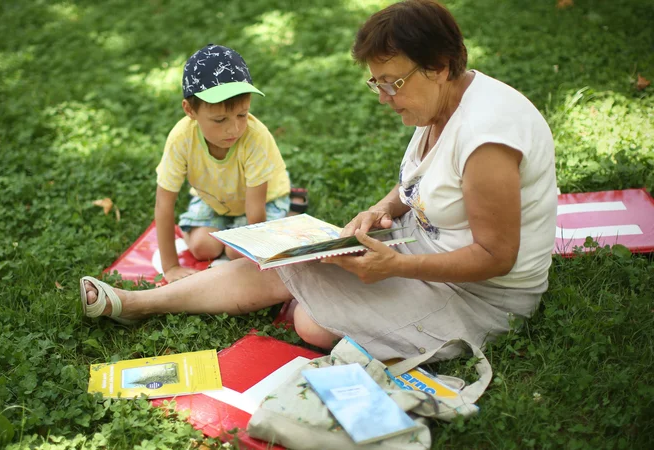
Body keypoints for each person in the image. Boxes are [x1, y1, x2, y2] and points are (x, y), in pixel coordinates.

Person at [79, 0, 558, 362]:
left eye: (392, 82)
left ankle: (300, 302)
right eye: (377, 83)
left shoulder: (487, 140)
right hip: (422, 252)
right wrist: (383, 210)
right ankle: (139, 302)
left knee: (310, 323)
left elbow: (498, 257)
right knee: (286, 263)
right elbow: (421, 181)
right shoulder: (442, 103)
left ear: (438, 66)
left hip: (482, 299)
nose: (384, 97)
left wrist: (394, 267)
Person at [155, 44, 292, 283]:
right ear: (190, 110)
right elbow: (164, 203)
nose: (235, 128)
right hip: (213, 199)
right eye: (220, 119)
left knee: (236, 254)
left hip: (263, 200)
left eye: (242, 114)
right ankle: (222, 233)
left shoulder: (255, 137)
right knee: (201, 248)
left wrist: (254, 251)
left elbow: (255, 210)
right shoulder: (181, 139)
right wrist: (171, 267)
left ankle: (287, 212)